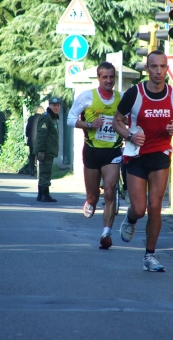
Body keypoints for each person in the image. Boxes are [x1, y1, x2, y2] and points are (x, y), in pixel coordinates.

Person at [112, 50, 173, 272]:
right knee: (139, 208)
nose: (159, 71)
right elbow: (117, 121)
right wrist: (129, 135)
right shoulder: (134, 93)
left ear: (167, 69)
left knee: (155, 207)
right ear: (147, 68)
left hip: (160, 155)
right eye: (154, 66)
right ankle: (131, 218)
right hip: (135, 156)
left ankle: (150, 256)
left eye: (163, 67)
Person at [67, 62, 123, 250]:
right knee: (93, 196)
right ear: (98, 78)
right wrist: (90, 125)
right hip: (92, 150)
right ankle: (90, 201)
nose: (108, 80)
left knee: (109, 191)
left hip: (112, 151)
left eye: (111, 77)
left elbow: (130, 120)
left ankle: (106, 233)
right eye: (104, 77)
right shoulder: (87, 97)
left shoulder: (121, 98)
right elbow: (70, 119)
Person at [33, 97, 62, 202]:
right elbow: (42, 134)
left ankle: (41, 194)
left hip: (49, 150)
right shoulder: (46, 117)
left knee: (45, 172)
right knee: (45, 172)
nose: (56, 108)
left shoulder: (53, 117)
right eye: (54, 106)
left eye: (58, 106)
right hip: (45, 150)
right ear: (49, 105)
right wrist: (41, 150)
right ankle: (45, 195)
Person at [25, 105, 45, 176]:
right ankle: (40, 170)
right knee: (40, 154)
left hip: (32, 140)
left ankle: (32, 170)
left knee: (32, 155)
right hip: (40, 139)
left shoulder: (31, 118)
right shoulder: (43, 118)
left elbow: (27, 128)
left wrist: (27, 135)